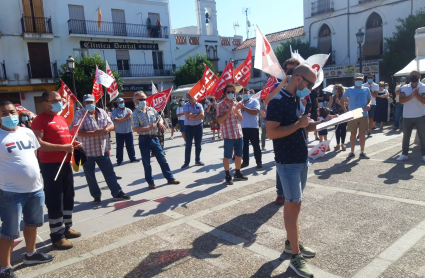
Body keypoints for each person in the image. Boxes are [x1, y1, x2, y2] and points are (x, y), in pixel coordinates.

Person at [266, 65, 318, 278]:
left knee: (296, 204)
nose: (311, 89)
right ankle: (295, 257)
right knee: (293, 205)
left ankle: (291, 242)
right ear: (298, 79)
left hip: (301, 159)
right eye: (310, 84)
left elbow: (300, 126)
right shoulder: (278, 102)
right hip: (287, 163)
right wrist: (298, 124)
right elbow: (271, 133)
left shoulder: (297, 100)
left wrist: (313, 125)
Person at [0, 102, 55, 278]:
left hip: (35, 189)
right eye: (4, 113)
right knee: (9, 231)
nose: (9, 115)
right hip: (10, 192)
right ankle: (5, 268)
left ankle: (31, 254)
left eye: (12, 111)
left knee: (32, 224)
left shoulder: (27, 131)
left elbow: (33, 155)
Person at [31, 90, 83, 250]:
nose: (59, 102)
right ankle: (56, 235)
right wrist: (63, 147)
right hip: (50, 166)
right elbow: (38, 144)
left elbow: (65, 139)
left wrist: (73, 145)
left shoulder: (60, 118)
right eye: (55, 100)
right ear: (45, 103)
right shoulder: (39, 120)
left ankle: (66, 228)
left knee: (68, 196)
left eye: (59, 99)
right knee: (55, 200)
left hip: (65, 163)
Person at [74, 94, 131, 204]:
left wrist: (106, 129)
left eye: (91, 102)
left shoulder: (102, 112)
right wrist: (96, 132)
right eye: (87, 102)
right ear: (84, 103)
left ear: (95, 102)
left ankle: (117, 192)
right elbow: (78, 131)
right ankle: (96, 196)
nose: (89, 104)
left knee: (109, 172)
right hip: (87, 150)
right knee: (90, 175)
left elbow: (111, 125)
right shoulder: (79, 114)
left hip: (102, 149)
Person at [264, 58, 300, 205]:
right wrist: (282, 86)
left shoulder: (302, 87)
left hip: (298, 128)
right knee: (281, 160)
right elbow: (267, 101)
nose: (290, 73)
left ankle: (294, 190)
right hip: (281, 130)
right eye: (288, 70)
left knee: (298, 161)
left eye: (294, 70)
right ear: (284, 72)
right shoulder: (278, 85)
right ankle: (280, 192)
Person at [131, 91, 180, 189]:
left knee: (162, 159)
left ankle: (170, 178)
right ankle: (151, 182)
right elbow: (135, 128)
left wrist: (160, 123)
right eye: (141, 99)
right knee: (146, 162)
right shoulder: (135, 113)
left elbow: (159, 118)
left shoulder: (151, 109)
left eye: (145, 99)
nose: (144, 101)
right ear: (136, 101)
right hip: (144, 139)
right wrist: (148, 128)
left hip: (154, 137)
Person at [216, 84, 248, 185]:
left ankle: (237, 172)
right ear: (225, 93)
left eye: (232, 92)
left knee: (239, 155)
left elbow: (241, 118)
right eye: (228, 92)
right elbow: (219, 120)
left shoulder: (236, 103)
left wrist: (237, 110)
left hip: (238, 133)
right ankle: (227, 175)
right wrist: (229, 111)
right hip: (228, 135)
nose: (230, 94)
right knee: (227, 156)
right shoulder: (220, 105)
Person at [396, 70, 425, 162]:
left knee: (423, 136)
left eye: (416, 75)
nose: (414, 77)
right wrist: (414, 95)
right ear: (409, 76)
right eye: (412, 75)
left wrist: (416, 95)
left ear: (419, 76)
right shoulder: (404, 87)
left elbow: (424, 101)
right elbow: (401, 100)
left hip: (420, 115)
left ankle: (424, 155)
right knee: (406, 136)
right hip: (407, 116)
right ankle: (404, 154)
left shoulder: (423, 87)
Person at [341, 73, 372, 159]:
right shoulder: (349, 89)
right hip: (353, 114)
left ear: (362, 81)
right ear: (354, 80)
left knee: (362, 133)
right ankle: (352, 152)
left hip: (364, 114)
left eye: (360, 80)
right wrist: (345, 110)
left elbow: (370, 100)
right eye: (357, 79)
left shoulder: (366, 89)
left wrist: (369, 104)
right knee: (353, 133)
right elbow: (342, 99)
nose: (359, 81)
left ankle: (362, 152)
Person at [112, 98, 138, 166]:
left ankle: (132, 158)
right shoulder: (115, 111)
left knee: (130, 146)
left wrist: (129, 117)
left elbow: (132, 118)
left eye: (122, 102)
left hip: (128, 131)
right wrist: (125, 118)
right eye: (120, 102)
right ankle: (119, 160)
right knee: (119, 147)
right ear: (117, 103)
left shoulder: (128, 110)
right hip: (119, 132)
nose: (121, 103)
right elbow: (115, 120)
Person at [240, 89, 262, 169]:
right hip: (243, 128)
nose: (245, 94)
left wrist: (244, 108)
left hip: (253, 127)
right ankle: (245, 162)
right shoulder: (240, 103)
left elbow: (255, 112)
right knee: (244, 147)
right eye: (243, 93)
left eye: (246, 93)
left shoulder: (254, 101)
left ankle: (259, 162)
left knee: (256, 146)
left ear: (249, 94)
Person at [181, 94, 205, 169]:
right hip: (189, 128)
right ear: (190, 97)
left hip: (199, 126)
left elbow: (202, 115)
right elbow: (188, 115)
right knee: (188, 145)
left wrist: (193, 116)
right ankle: (186, 163)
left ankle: (197, 160)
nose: (195, 98)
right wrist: (197, 116)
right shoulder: (185, 105)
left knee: (198, 145)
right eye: (193, 96)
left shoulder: (199, 105)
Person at [327, 84, 349, 151]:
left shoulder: (344, 96)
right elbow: (328, 106)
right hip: (335, 115)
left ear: (339, 89)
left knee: (343, 129)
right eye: (333, 89)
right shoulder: (333, 97)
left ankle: (342, 144)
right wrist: (330, 102)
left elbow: (347, 104)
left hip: (343, 115)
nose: (334, 90)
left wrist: (339, 103)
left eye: (335, 89)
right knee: (337, 129)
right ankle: (337, 144)